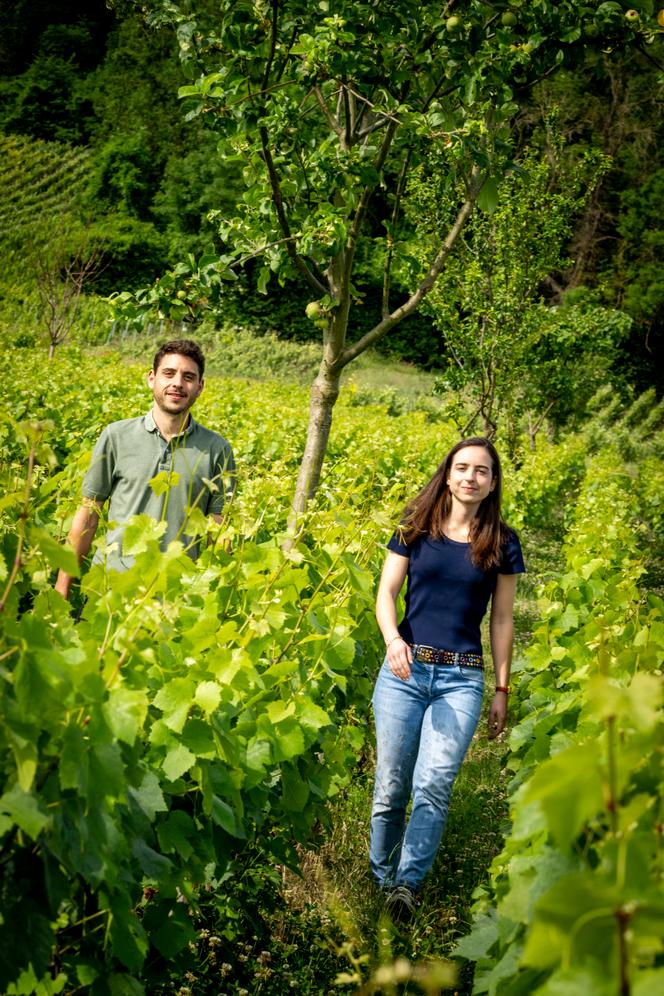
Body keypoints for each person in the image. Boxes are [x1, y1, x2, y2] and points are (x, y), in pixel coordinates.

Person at [370, 436, 524, 921]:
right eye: (462, 468)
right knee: (392, 783)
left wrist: (501, 688)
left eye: (481, 470)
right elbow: (386, 592)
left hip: (462, 678)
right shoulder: (415, 525)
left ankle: (406, 888)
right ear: (449, 473)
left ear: (492, 482)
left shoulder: (502, 541)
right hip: (404, 670)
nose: (470, 477)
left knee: (434, 783)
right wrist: (394, 640)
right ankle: (381, 877)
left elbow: (501, 619)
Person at [55, 339, 235, 599]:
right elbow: (89, 515)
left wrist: (215, 597)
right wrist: (62, 587)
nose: (177, 383)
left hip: (177, 597)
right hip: (109, 591)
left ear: (200, 387)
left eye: (188, 377)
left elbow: (218, 531)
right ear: (152, 379)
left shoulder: (217, 449)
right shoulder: (116, 436)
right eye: (169, 373)